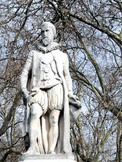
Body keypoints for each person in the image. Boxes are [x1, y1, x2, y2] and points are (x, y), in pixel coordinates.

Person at [20, 21, 80, 155]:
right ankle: (32, 148)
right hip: (38, 89)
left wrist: (70, 93)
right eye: (42, 31)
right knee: (34, 113)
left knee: (54, 119)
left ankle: (52, 151)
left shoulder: (62, 56)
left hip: (56, 88)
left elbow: (67, 76)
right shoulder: (34, 54)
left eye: (47, 31)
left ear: (53, 33)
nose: (44, 34)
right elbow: (24, 72)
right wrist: (24, 90)